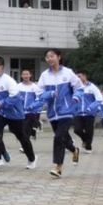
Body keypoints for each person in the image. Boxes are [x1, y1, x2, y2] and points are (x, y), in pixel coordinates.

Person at [34, 48, 83, 179]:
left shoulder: (68, 73)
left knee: (58, 138)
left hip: (66, 111)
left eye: (52, 56)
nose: (49, 59)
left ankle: (58, 167)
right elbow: (39, 93)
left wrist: (76, 98)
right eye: (47, 57)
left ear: (59, 57)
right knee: (63, 138)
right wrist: (49, 94)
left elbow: (79, 88)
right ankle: (74, 150)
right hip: (52, 113)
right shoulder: (45, 75)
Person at [0, 57, 37, 169]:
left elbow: (15, 97)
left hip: (15, 115)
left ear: (1, 66)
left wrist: (1, 103)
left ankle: (32, 159)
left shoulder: (8, 80)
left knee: (22, 138)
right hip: (1, 113)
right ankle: (0, 155)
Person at [72, 70, 103, 154]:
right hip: (78, 113)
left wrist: (90, 108)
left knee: (89, 131)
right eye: (77, 77)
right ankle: (85, 140)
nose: (78, 78)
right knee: (77, 130)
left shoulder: (92, 87)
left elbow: (99, 99)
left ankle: (88, 147)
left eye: (79, 76)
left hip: (89, 113)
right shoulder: (75, 88)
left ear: (85, 76)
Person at [18, 69, 42, 144]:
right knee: (22, 130)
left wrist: (33, 107)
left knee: (26, 130)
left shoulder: (35, 87)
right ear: (21, 76)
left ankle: (24, 146)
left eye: (27, 74)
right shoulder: (18, 86)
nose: (25, 76)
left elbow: (38, 100)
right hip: (21, 112)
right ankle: (26, 144)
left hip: (31, 113)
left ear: (30, 75)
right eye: (24, 74)